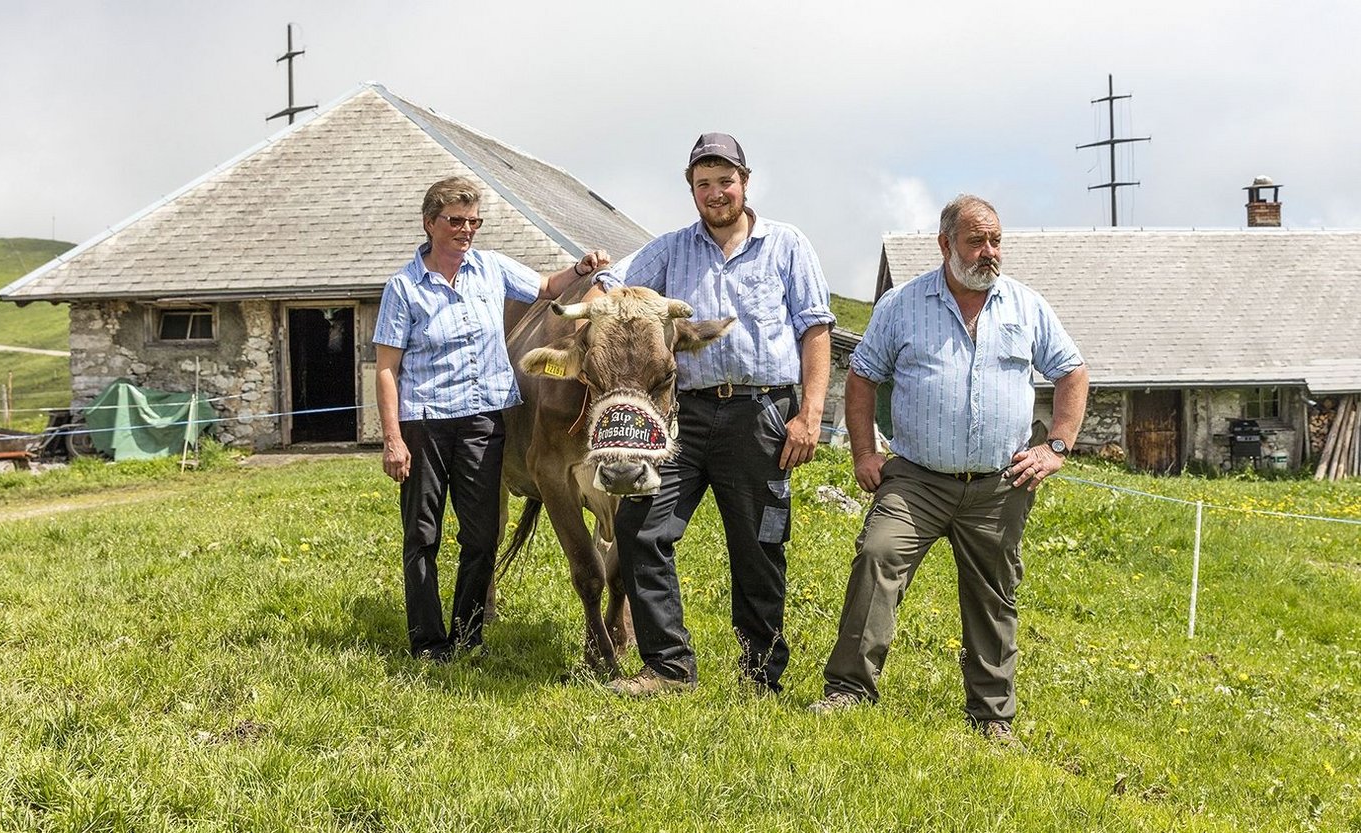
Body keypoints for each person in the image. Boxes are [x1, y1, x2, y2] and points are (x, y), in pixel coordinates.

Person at [808, 195, 1088, 745]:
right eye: (975, 241)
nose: (989, 253)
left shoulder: (1025, 306)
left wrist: (1057, 446)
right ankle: (849, 690)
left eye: (996, 241)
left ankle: (991, 718)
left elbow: (1072, 372)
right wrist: (864, 454)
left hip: (998, 484)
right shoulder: (902, 306)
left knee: (993, 593)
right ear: (945, 244)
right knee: (877, 556)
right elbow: (862, 378)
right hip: (916, 479)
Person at [592, 133, 835, 696]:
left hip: (761, 414)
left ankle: (760, 675)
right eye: (703, 184)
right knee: (641, 530)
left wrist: (810, 414)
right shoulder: (671, 249)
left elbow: (815, 328)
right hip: (686, 417)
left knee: (758, 544)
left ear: (744, 183)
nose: (715, 193)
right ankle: (669, 669)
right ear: (692, 190)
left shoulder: (787, 244)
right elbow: (615, 286)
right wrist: (603, 283)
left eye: (725, 181)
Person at [374, 176, 608, 662]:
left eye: (473, 221)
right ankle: (427, 640)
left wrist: (580, 268)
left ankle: (468, 634)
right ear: (429, 223)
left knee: (480, 536)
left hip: (483, 421)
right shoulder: (403, 288)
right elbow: (386, 370)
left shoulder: (491, 268)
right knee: (423, 534)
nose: (466, 230)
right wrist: (394, 439)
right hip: (426, 424)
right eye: (455, 221)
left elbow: (546, 288)